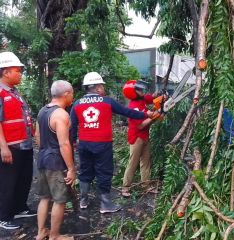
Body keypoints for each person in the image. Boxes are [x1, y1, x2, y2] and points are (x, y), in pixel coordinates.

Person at [70, 72, 154, 213]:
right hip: (102, 144)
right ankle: (105, 205)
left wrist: (73, 142)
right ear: (97, 88)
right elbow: (127, 112)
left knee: (85, 171)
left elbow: (72, 126)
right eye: (102, 86)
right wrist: (146, 114)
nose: (103, 88)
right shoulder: (107, 101)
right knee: (104, 172)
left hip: (84, 145)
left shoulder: (77, 104)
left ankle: (83, 200)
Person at [0, 51, 37, 230]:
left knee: (24, 178)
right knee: (8, 182)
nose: (20, 73)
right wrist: (3, 148)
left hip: (24, 144)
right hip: (11, 146)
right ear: (6, 72)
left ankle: (19, 208)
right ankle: (4, 216)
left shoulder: (15, 92)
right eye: (17, 70)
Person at [35, 80, 75, 240]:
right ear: (66, 94)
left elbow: (37, 136)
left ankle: (41, 232)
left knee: (45, 197)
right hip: (56, 163)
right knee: (60, 200)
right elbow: (64, 143)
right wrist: (71, 168)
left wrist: (45, 150)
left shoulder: (42, 111)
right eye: (72, 93)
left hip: (42, 159)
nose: (72, 96)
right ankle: (54, 235)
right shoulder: (61, 114)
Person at [121, 80, 160, 197]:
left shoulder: (142, 99)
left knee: (146, 162)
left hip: (145, 136)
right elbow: (140, 125)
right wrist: (155, 115)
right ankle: (125, 187)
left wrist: (159, 95)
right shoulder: (133, 107)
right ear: (133, 93)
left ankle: (146, 186)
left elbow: (152, 98)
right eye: (139, 89)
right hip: (136, 137)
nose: (142, 91)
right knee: (133, 162)